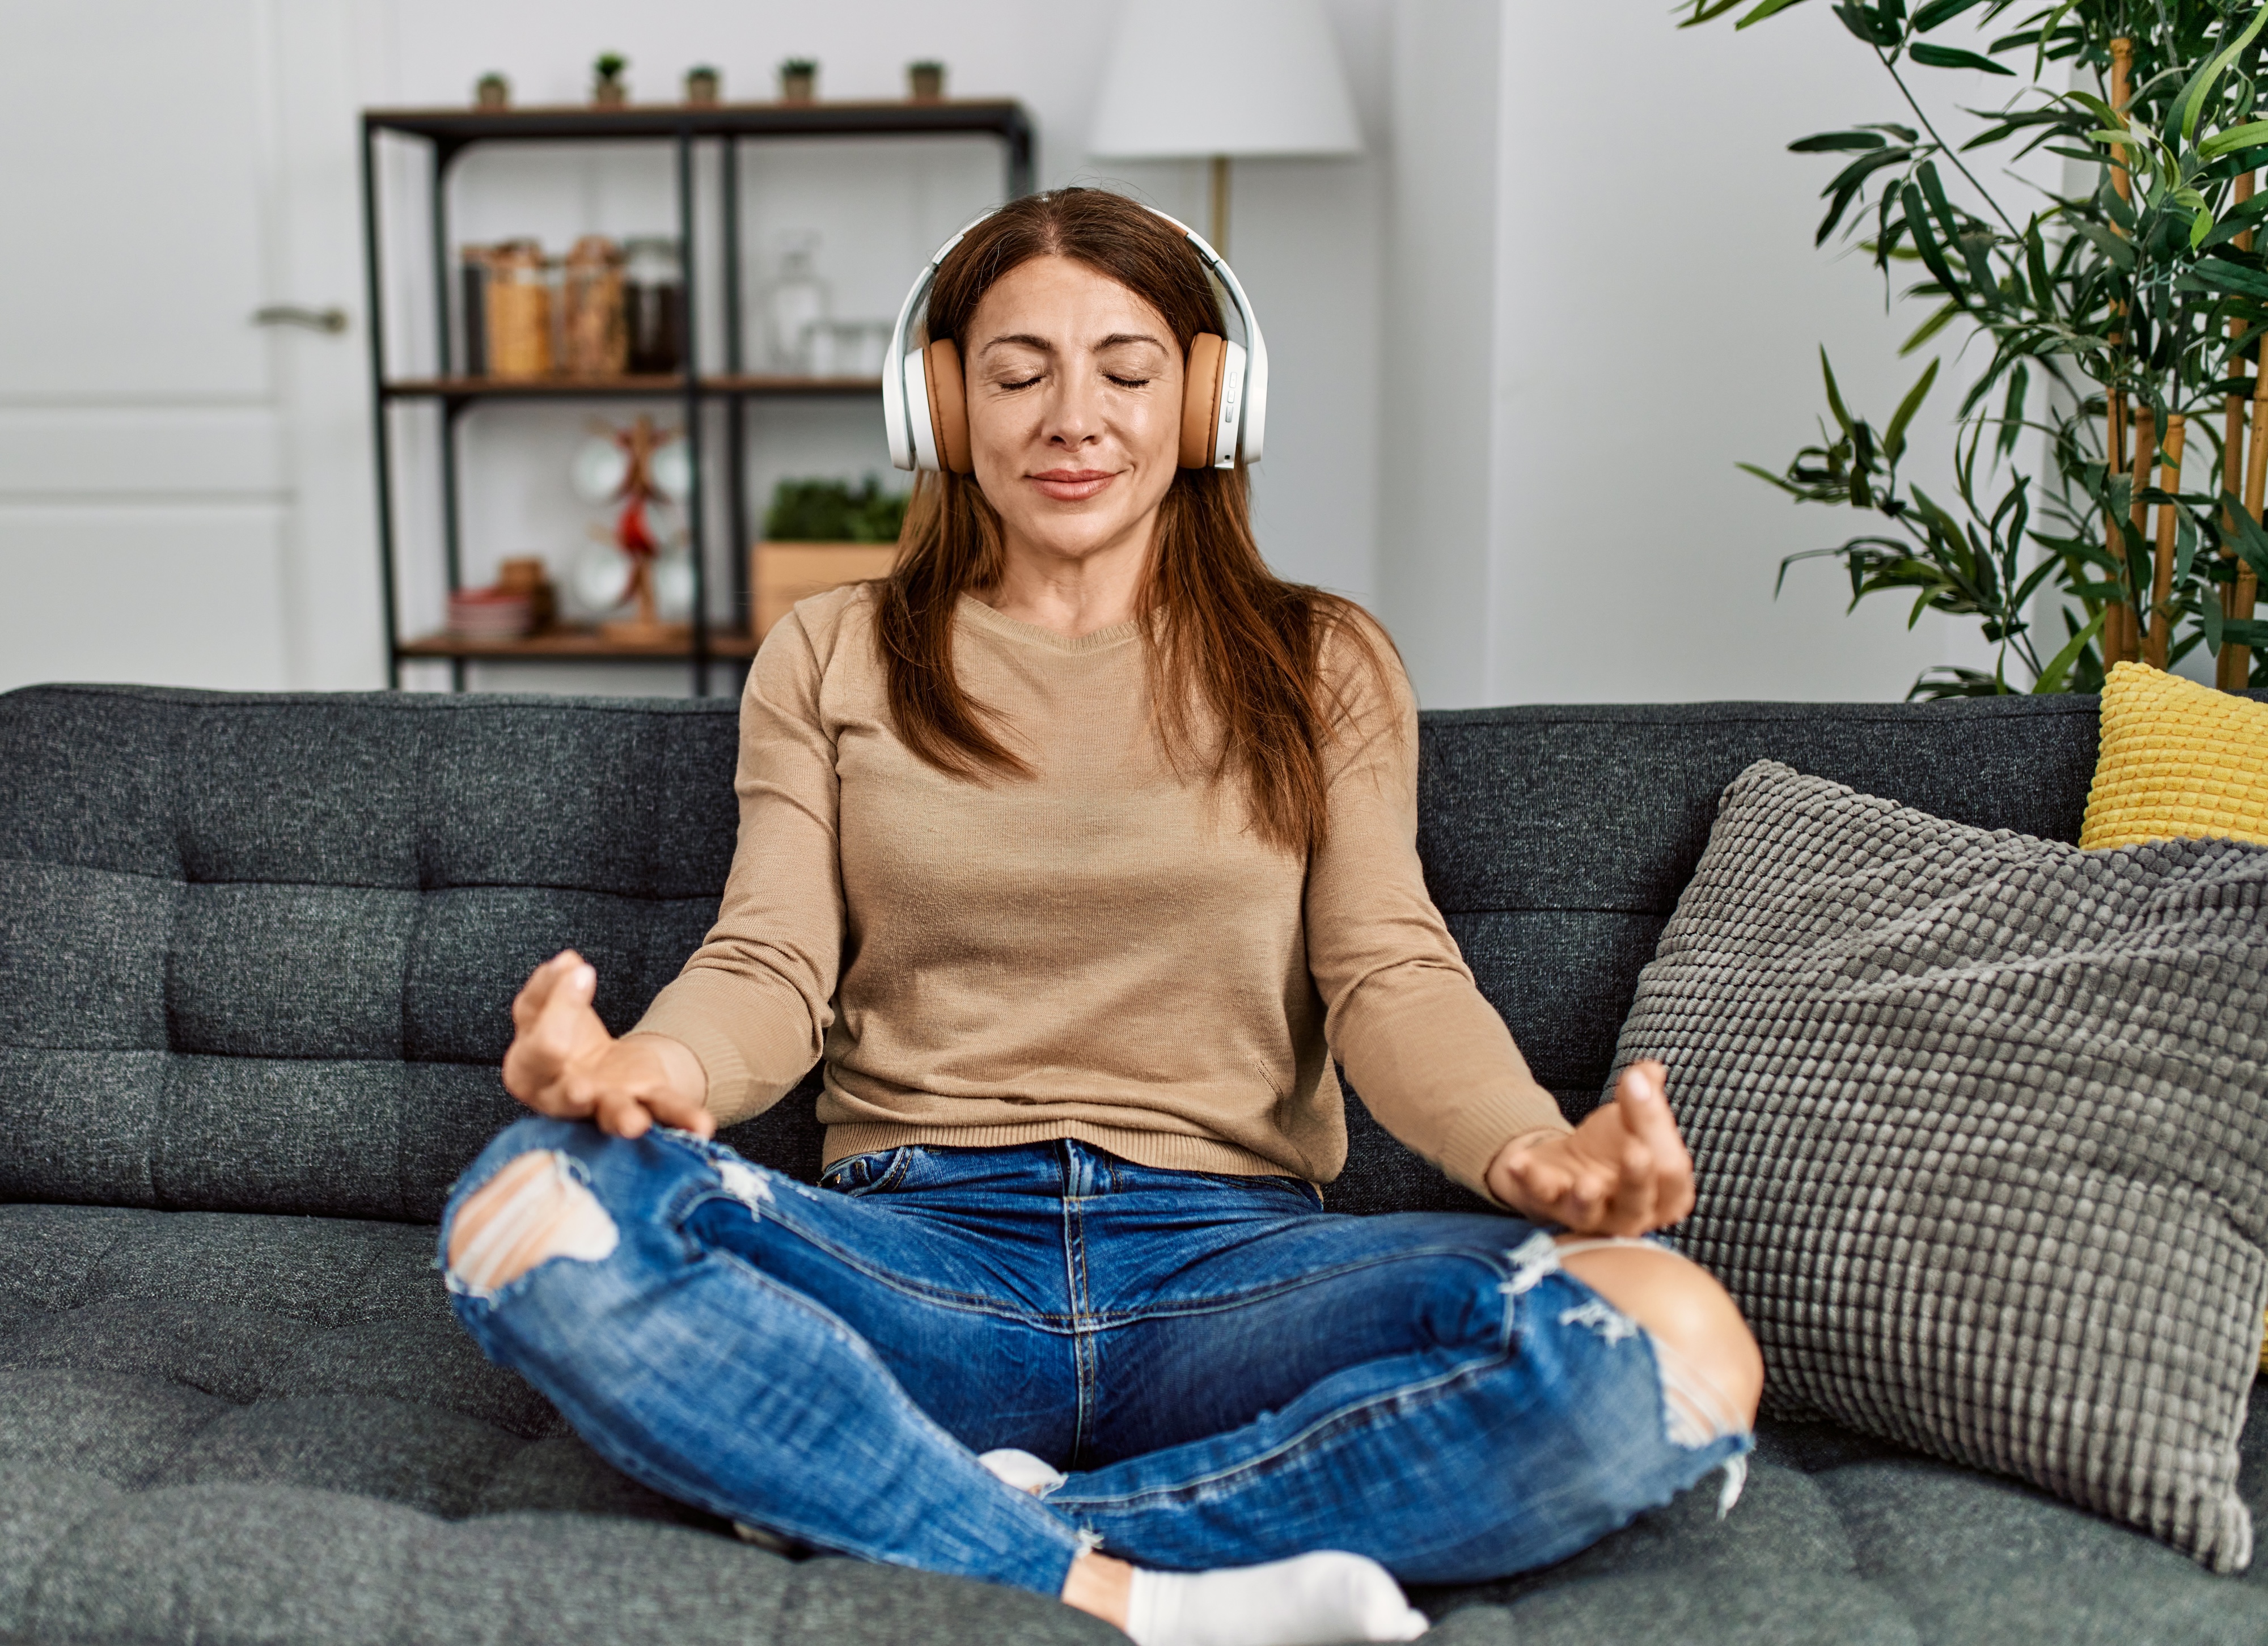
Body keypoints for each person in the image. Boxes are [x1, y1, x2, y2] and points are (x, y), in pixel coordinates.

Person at [439, 189, 1762, 1646]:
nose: (1074, 419)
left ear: (1207, 396)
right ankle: (1136, 1590)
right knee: (527, 1201)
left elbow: (1387, 969)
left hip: (1234, 1265)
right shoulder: (831, 650)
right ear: (938, 401)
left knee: (1674, 1339)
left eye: (1126, 372)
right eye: (1018, 374)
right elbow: (769, 960)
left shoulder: (1320, 661)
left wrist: (1531, 1153)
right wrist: (645, 1073)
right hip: (921, 1255)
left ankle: (914, 1508)